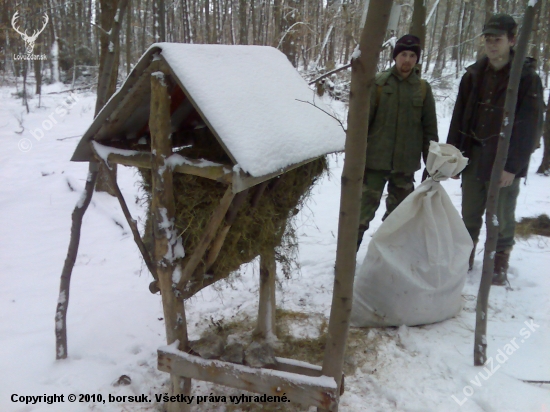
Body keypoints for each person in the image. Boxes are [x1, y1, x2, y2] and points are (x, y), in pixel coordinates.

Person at [447, 14, 544, 285]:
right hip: (474, 154)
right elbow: (459, 116)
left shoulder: (525, 78)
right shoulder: (473, 74)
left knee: (501, 212)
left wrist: (512, 166)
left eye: (497, 39)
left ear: (512, 41)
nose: (492, 45)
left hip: (503, 157)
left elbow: (530, 127)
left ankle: (499, 262)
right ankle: (464, 259)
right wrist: (454, 156)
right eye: (488, 39)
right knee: (469, 211)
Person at [357, 34, 438, 249]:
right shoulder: (379, 84)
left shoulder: (422, 89)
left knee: (398, 220)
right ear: (395, 56)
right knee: (360, 217)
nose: (408, 60)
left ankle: (386, 262)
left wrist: (432, 163)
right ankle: (346, 262)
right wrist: (356, 158)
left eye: (412, 55)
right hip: (375, 163)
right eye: (403, 54)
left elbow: (430, 130)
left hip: (404, 167)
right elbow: (361, 126)